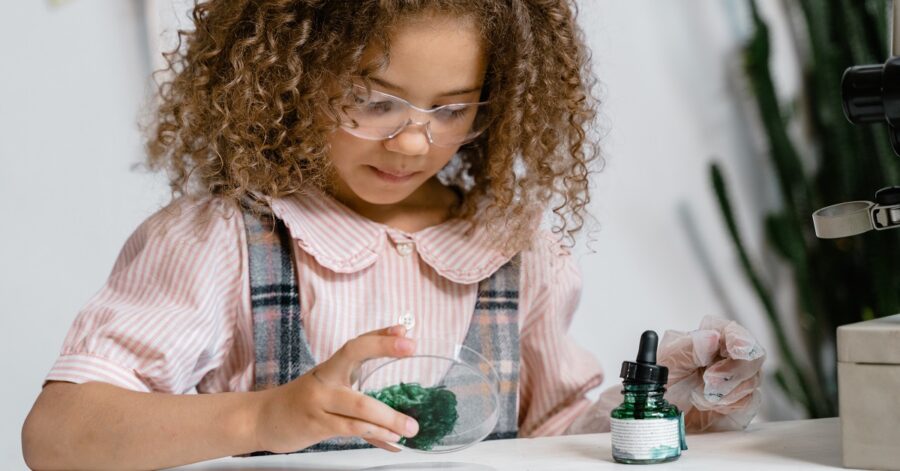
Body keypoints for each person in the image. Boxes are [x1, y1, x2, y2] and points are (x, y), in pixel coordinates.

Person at [21, 1, 764, 469]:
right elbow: (57, 437)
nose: (413, 143)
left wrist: (660, 400)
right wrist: (263, 416)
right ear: (289, 74)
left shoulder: (516, 249)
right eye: (374, 102)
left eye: (451, 108)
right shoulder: (219, 241)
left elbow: (554, 438)